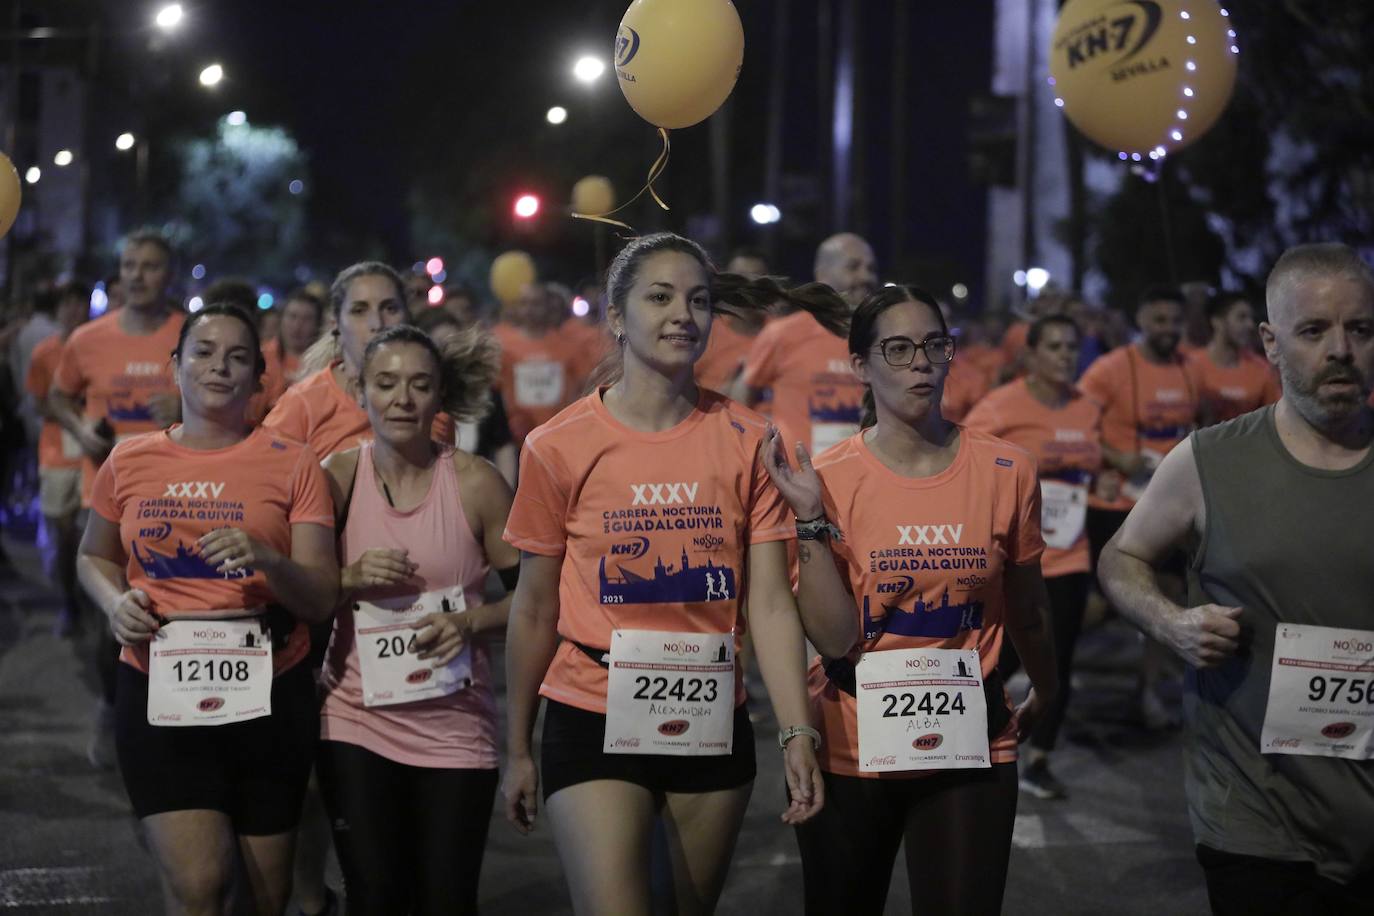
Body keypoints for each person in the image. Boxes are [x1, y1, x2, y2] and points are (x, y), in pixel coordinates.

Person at [501, 232, 830, 914]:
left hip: (710, 714)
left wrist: (796, 730)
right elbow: (533, 608)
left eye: (699, 300)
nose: (683, 313)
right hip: (590, 710)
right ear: (616, 316)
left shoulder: (748, 438)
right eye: (660, 297)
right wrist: (518, 747)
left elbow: (768, 602)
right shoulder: (556, 446)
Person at [762, 284, 1059, 915]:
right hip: (851, 740)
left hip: (970, 737)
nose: (920, 362)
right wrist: (812, 518)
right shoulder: (828, 479)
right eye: (897, 349)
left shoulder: (1008, 470)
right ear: (860, 366)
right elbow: (836, 639)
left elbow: (1029, 605)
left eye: (933, 345)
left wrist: (1049, 686)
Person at [1098, 243, 1374, 915]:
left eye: (1361, 329)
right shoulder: (1208, 461)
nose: (1341, 349)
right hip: (1253, 812)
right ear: (1270, 345)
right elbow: (1120, 557)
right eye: (1314, 331)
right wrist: (1171, 623)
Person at [76, 303, 338, 915]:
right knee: (200, 884)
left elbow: (321, 595)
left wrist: (268, 560)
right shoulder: (129, 460)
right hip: (157, 687)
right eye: (204, 351)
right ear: (176, 367)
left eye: (238, 356)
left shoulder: (293, 462)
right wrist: (116, 604)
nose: (219, 366)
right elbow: (94, 557)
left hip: (271, 691)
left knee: (265, 896)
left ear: (258, 380)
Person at [316, 325, 518, 914]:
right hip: (355, 721)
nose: (402, 398)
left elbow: (535, 605)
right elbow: (299, 598)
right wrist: (347, 580)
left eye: (419, 385)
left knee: (448, 900)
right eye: (386, 383)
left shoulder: (477, 483)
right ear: (360, 391)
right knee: (375, 897)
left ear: (439, 397)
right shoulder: (336, 480)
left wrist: (470, 623)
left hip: (456, 728)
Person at [50, 228, 185, 768]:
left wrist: (183, 404)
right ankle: (113, 705)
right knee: (113, 615)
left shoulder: (189, 334)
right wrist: (80, 432)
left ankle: (167, 717)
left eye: (150, 266)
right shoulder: (88, 338)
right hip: (101, 493)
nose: (137, 274)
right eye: (129, 264)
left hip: (174, 499)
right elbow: (58, 395)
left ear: (167, 274)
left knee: (164, 611)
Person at [965, 314, 1102, 799]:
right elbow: (966, 461)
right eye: (1055, 347)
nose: (1065, 356)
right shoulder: (1001, 407)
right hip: (1014, 555)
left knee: (1055, 660)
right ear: (1032, 355)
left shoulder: (1087, 407)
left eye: (1072, 347)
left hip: (1069, 552)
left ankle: (1040, 756)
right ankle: (967, 736)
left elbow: (1092, 469)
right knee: (998, 657)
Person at [1079, 285, 1199, 727]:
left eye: (1175, 321)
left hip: (1169, 503)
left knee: (1166, 593)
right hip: (1117, 502)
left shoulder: (1189, 370)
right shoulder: (1111, 369)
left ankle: (1147, 690)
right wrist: (1114, 457)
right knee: (1108, 602)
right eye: (1159, 320)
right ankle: (1052, 653)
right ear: (1141, 321)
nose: (1168, 330)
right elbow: (1076, 418)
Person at [736, 233, 877, 455]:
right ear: (822, 275)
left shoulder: (877, 338)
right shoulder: (782, 334)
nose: (866, 276)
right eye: (853, 267)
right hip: (796, 479)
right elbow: (741, 398)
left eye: (871, 268)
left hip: (858, 478)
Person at [25, 281, 91, 636]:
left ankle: (90, 605)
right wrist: (68, 409)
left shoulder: (98, 347)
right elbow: (36, 401)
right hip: (57, 453)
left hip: (94, 455)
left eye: (79, 303)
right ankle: (69, 600)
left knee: (91, 536)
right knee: (62, 534)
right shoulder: (44, 353)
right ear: (58, 309)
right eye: (67, 304)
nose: (73, 310)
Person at [415, 308, 517, 485]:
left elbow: (503, 445)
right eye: (440, 345)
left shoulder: (487, 393)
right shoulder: (412, 397)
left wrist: (505, 491)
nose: (449, 355)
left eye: (454, 345)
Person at [490, 281, 598, 446]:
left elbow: (585, 388)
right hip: (518, 440)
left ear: (547, 307)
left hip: (560, 438)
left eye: (536, 303)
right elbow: (495, 392)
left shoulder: (569, 347)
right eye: (524, 303)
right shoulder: (504, 346)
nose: (530, 309)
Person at [1186, 292, 1282, 427]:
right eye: (1241, 317)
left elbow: (1276, 420)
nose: (1250, 325)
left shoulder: (1262, 369)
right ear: (1217, 322)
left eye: (1250, 318)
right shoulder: (1189, 365)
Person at [695, 249, 770, 394]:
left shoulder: (787, 333)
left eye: (757, 277)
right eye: (739, 277)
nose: (748, 284)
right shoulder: (704, 334)